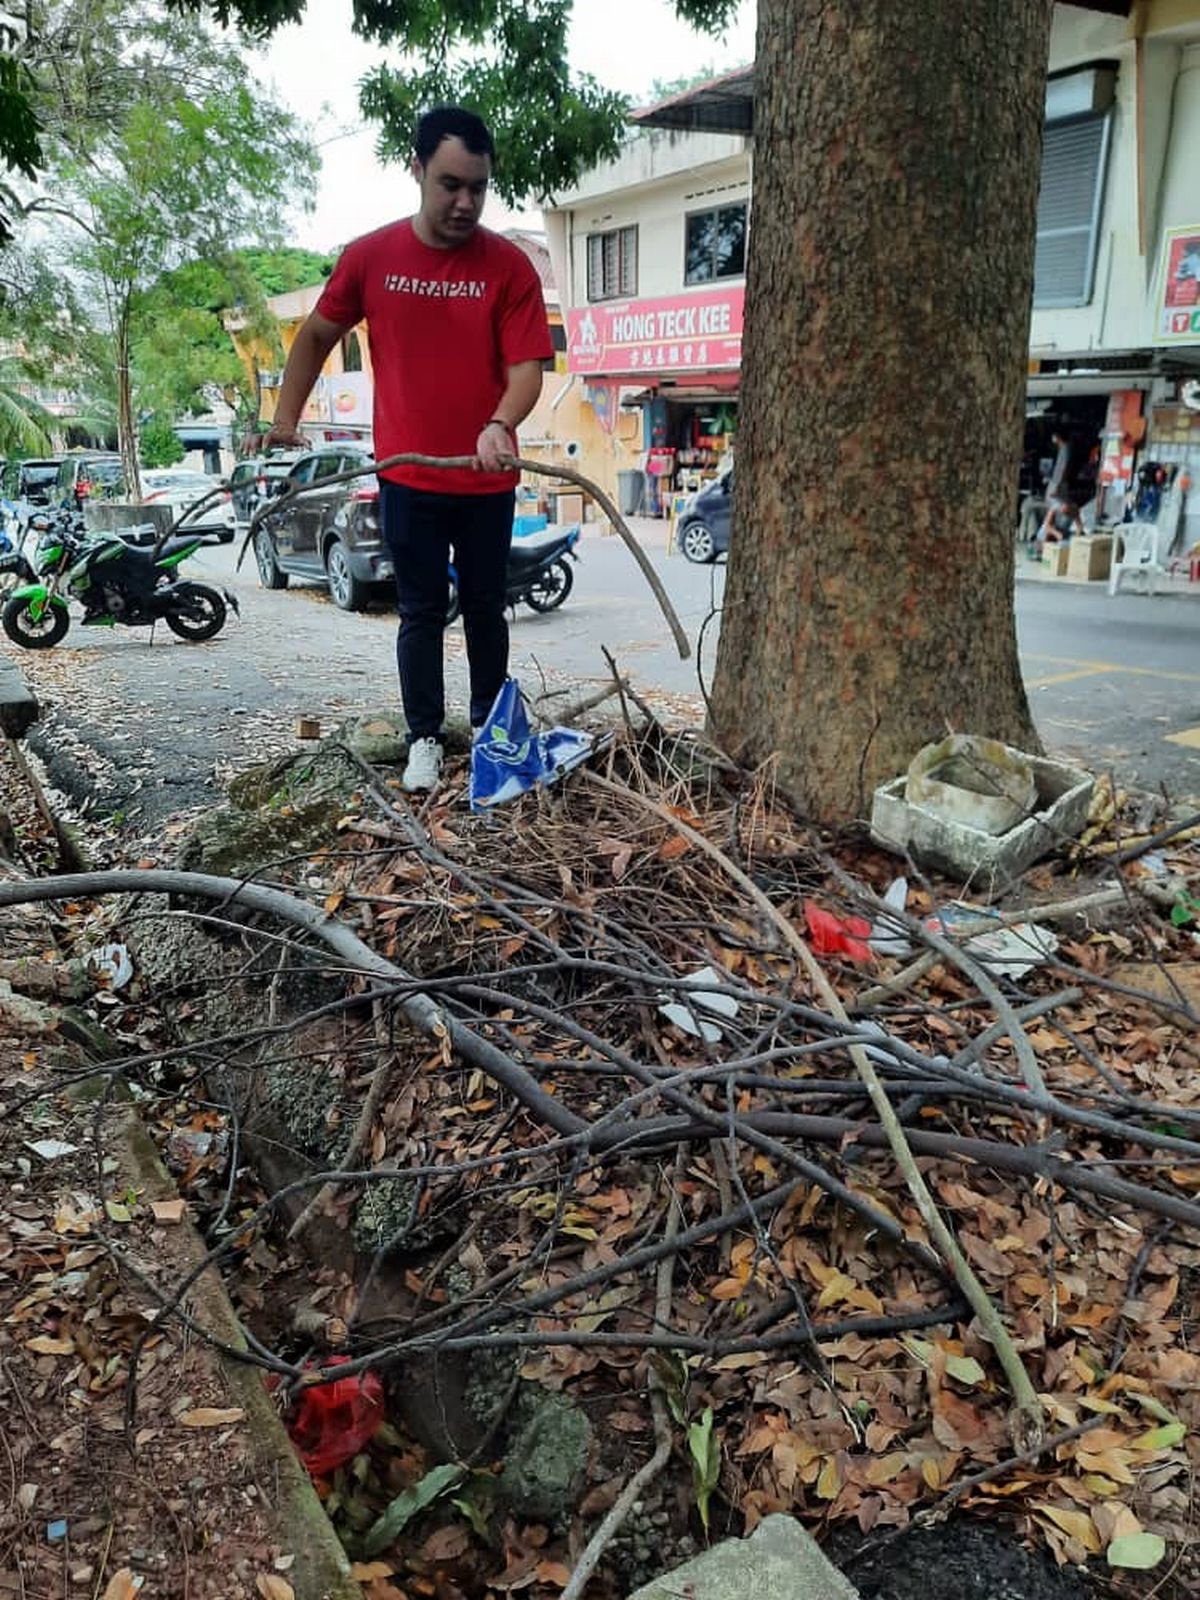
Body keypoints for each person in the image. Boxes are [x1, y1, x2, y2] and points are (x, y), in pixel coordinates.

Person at [264, 105, 552, 791]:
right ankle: (424, 736)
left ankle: (489, 729)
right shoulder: (372, 258)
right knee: (420, 611)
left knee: (485, 607)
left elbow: (527, 371)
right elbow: (313, 337)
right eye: (450, 183)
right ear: (417, 169)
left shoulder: (509, 268)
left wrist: (498, 424)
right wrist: (284, 419)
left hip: (485, 481)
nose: (465, 202)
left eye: (478, 188)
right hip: (408, 480)